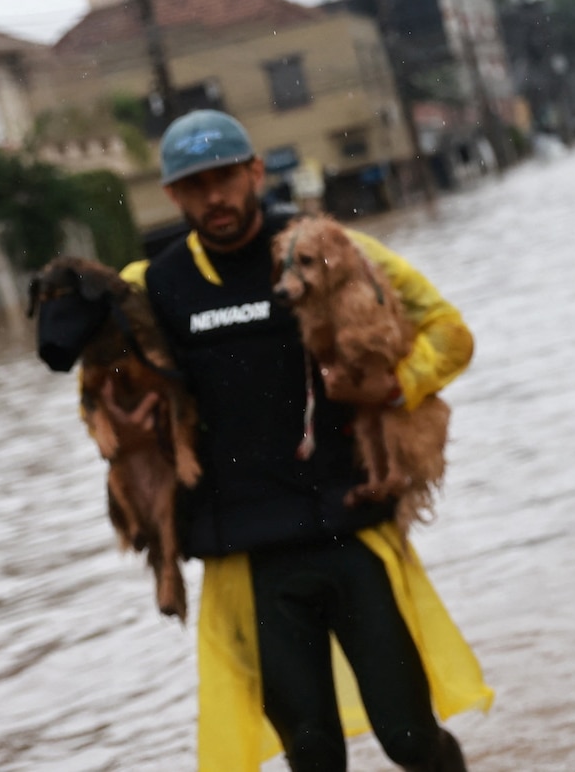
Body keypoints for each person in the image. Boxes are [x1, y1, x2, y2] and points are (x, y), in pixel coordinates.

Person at [114, 109, 492, 771]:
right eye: (195, 186)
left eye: (225, 178)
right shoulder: (153, 286)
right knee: (312, 755)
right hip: (248, 553)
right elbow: (106, 381)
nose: (214, 197)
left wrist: (395, 388)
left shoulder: (328, 250)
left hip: (351, 526)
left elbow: (449, 332)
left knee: (410, 739)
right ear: (171, 194)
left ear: (254, 172)